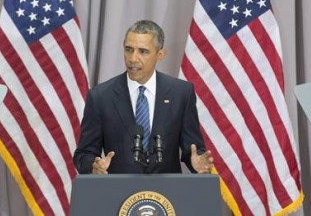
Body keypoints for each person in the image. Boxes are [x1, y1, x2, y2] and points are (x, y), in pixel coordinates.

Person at [73, 20, 213, 174]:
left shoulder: (181, 93)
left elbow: (192, 149)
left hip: (166, 194)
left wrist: (197, 163)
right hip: (120, 194)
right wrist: (93, 166)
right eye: (128, 49)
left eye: (143, 51)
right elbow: (83, 155)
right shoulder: (100, 97)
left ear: (160, 54)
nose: (133, 58)